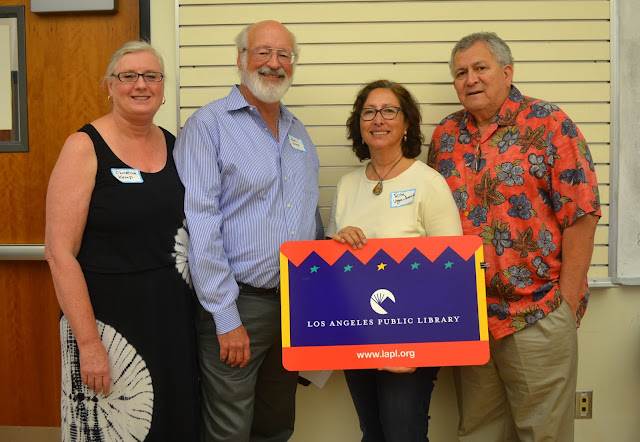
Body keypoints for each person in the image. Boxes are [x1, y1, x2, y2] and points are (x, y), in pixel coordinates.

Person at [428, 32, 600, 441]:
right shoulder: (445, 135)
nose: (470, 79)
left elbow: (582, 213)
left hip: (536, 312)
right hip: (469, 317)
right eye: (460, 73)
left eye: (480, 68)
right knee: (478, 432)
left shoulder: (549, 123)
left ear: (507, 73)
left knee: (544, 434)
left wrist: (565, 303)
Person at [45, 41, 200, 440]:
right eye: (128, 75)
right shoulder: (83, 147)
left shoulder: (175, 144)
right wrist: (89, 344)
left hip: (171, 320)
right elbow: (59, 254)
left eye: (151, 76)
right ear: (110, 86)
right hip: (107, 326)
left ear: (162, 88)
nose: (141, 84)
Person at [173, 20, 320, 442]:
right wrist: (226, 316)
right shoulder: (208, 126)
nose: (274, 63)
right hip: (239, 304)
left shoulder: (298, 131)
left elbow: (308, 216)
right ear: (240, 59)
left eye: (284, 55)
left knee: (276, 424)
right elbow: (201, 222)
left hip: (293, 306)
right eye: (263, 52)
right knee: (230, 429)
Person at [326, 79, 462, 442]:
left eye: (389, 111)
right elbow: (332, 266)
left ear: (406, 124)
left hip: (412, 336)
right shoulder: (347, 185)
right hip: (358, 333)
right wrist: (339, 240)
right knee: (372, 432)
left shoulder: (429, 183)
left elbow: (451, 272)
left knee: (404, 432)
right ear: (359, 124)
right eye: (368, 112)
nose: (378, 119)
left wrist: (419, 347)